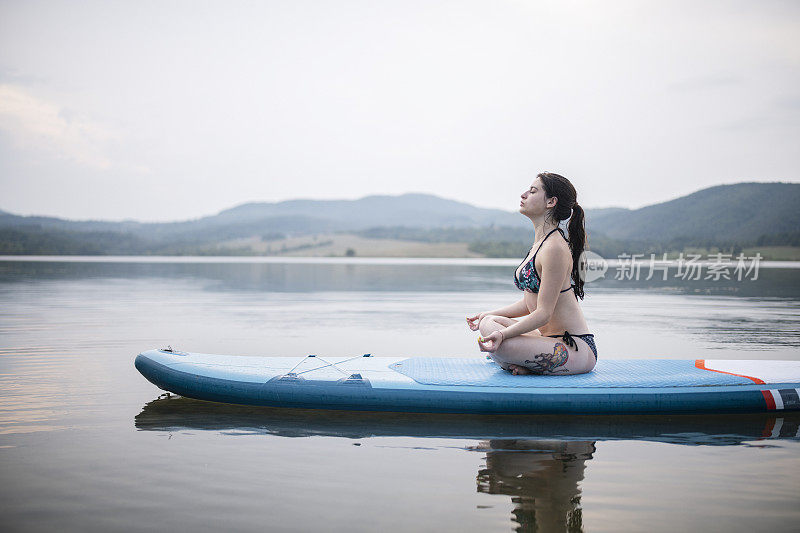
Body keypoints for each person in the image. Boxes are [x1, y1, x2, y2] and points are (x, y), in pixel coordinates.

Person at [466, 172, 597, 375]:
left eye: (533, 191)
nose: (524, 194)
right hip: (547, 342)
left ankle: (519, 362)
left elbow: (543, 313)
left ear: (551, 201)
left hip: (575, 349)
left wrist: (502, 335)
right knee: (488, 322)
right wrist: (490, 313)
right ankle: (522, 364)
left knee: (499, 340)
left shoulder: (554, 248)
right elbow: (530, 303)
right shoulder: (541, 244)